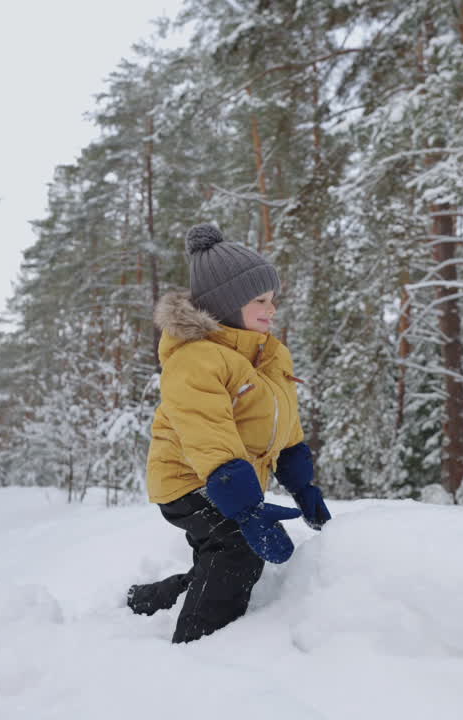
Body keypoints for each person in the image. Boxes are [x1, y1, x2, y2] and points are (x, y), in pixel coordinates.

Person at [128, 223, 332, 643]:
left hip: (229, 482)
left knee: (220, 555)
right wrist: (245, 510)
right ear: (224, 304)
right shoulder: (196, 359)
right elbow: (208, 434)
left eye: (272, 299)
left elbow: (286, 426)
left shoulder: (269, 355)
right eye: (260, 300)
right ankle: (196, 647)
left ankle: (151, 599)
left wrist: (303, 486)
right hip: (189, 479)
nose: (271, 308)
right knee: (234, 549)